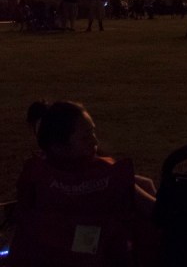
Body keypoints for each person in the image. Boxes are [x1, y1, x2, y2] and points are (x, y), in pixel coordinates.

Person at [10, 100, 157, 266]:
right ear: (59, 145)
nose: (95, 141)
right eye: (86, 136)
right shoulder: (107, 175)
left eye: (92, 132)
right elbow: (158, 212)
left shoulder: (35, 172)